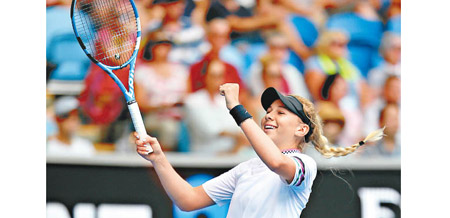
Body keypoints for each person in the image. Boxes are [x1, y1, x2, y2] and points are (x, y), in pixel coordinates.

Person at [134, 83, 384, 217]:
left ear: (301, 129)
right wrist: (158, 158)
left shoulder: (304, 165)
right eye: (268, 111)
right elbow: (188, 200)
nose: (269, 116)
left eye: (281, 112)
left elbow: (276, 163)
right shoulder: (248, 168)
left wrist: (236, 108)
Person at [134, 35, 188, 151]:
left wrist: (178, 104)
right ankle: (162, 161)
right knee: (169, 128)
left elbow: (189, 96)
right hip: (155, 116)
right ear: (151, 48)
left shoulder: (181, 70)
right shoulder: (142, 72)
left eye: (166, 46)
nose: (163, 49)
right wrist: (161, 107)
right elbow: (140, 103)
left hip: (181, 116)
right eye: (159, 46)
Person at [183, 60, 249, 154]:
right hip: (203, 157)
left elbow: (238, 127)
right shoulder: (192, 101)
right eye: (213, 75)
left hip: (231, 154)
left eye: (220, 76)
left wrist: (236, 138)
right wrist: (236, 136)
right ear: (205, 76)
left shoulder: (227, 100)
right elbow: (209, 130)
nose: (217, 80)